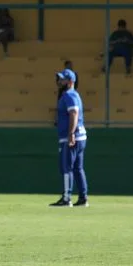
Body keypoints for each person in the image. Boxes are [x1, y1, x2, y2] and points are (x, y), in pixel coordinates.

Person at [51, 69, 88, 207]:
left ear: (70, 81)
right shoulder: (73, 95)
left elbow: (74, 113)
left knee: (67, 167)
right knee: (78, 168)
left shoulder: (69, 95)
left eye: (63, 79)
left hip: (72, 137)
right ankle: (83, 198)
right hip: (80, 136)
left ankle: (67, 198)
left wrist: (71, 133)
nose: (60, 81)